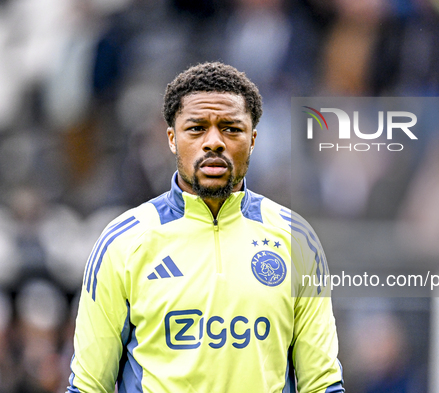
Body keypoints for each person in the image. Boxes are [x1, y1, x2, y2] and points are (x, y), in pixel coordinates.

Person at [67, 62, 344, 393]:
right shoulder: (124, 242)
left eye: (231, 128)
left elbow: (323, 384)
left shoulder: (294, 238)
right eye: (197, 128)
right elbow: (87, 385)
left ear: (252, 139)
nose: (214, 142)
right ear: (172, 139)